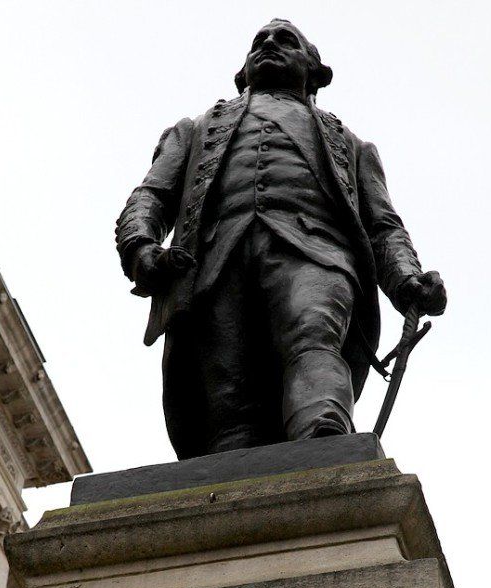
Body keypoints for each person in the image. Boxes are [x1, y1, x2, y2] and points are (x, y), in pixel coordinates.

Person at [116, 19, 447, 458]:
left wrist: (407, 280)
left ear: (314, 71)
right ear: (243, 70)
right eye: (259, 41)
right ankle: (236, 475)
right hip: (212, 263)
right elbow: (152, 195)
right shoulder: (195, 130)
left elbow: (383, 226)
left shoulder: (352, 146)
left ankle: (324, 439)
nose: (269, 43)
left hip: (316, 253)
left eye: (285, 40)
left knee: (313, 333)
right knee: (229, 395)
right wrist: (140, 247)